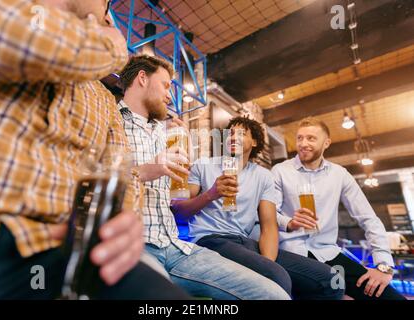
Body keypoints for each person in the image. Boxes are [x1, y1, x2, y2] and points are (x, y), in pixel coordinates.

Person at [0, 0, 190, 300]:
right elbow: (29, 40)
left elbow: (123, 174)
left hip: (67, 253)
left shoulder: (102, 99)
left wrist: (122, 227)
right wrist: (113, 44)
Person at [117, 55, 290, 300]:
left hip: (176, 247)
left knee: (275, 295)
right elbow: (87, 177)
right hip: (134, 245)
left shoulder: (164, 133)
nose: (170, 96)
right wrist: (144, 171)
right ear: (142, 78)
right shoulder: (111, 120)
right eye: (166, 85)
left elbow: (176, 202)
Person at [172, 116, 344, 300]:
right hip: (210, 240)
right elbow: (179, 211)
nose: (233, 137)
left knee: (329, 279)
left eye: (241, 133)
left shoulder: (263, 176)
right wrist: (210, 194)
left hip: (244, 242)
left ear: (254, 141)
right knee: (277, 278)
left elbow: (268, 226)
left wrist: (267, 263)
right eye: (229, 134)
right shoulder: (203, 166)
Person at [271, 116, 406, 300]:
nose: (303, 143)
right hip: (291, 254)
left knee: (389, 297)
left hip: (328, 253)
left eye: (311, 138)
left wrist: (383, 265)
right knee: (327, 289)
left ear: (326, 143)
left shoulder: (339, 174)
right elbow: (268, 214)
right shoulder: (280, 171)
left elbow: (368, 218)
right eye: (299, 138)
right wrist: (289, 222)